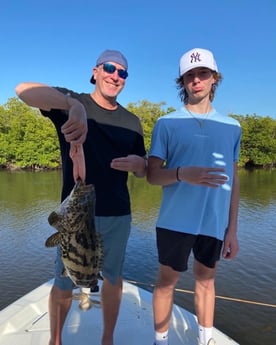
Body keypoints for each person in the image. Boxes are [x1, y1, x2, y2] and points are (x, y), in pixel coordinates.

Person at [15, 49, 147, 345]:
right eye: (110, 68)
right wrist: (71, 105)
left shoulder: (132, 122)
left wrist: (140, 166)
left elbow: (144, 169)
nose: (116, 76)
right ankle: (56, 340)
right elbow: (22, 90)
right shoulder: (73, 102)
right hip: (74, 218)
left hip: (117, 215)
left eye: (122, 73)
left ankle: (107, 339)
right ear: (96, 71)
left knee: (113, 280)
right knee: (63, 282)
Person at [147, 48, 241, 345]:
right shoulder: (166, 123)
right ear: (182, 82)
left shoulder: (233, 127)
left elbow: (233, 180)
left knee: (206, 282)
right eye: (190, 75)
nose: (196, 80)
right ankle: (160, 340)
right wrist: (181, 173)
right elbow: (151, 175)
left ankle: (205, 339)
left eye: (203, 74)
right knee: (165, 284)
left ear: (215, 79)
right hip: (175, 222)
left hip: (213, 223)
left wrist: (233, 230)